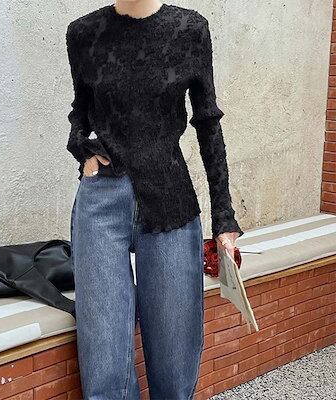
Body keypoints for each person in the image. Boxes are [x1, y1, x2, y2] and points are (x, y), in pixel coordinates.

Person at [66, 1, 244, 398]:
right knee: (104, 365)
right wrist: (82, 151)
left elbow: (207, 123)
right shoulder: (82, 33)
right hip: (101, 202)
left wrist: (224, 218)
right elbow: (81, 110)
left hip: (170, 200)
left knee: (174, 359)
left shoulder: (189, 29)